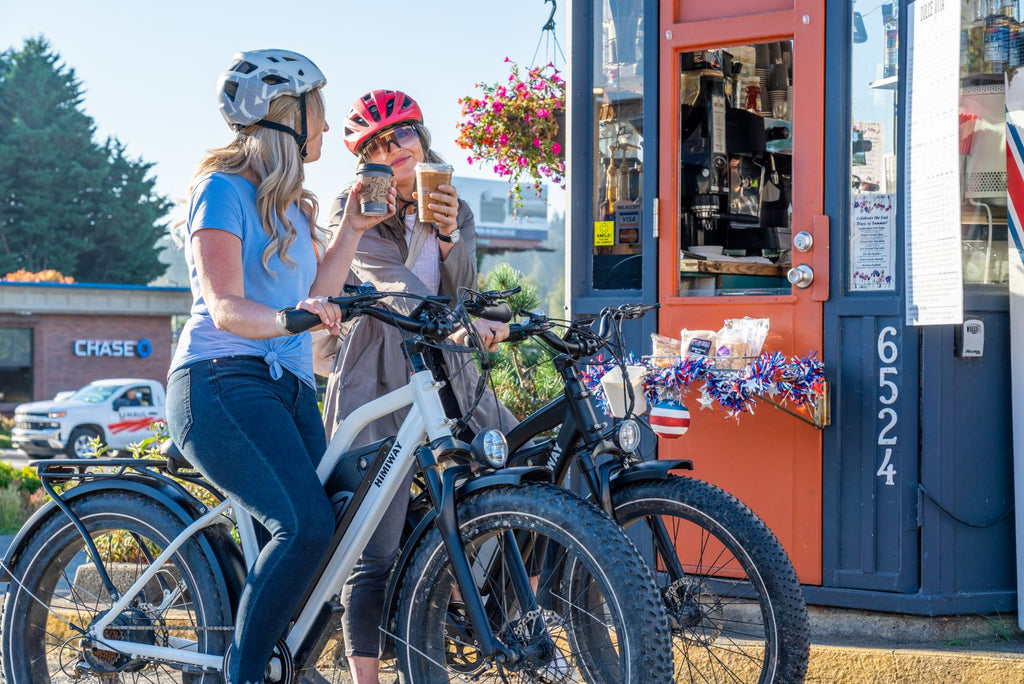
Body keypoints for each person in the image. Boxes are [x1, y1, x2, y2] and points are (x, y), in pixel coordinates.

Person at [165, 50, 396, 684]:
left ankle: (278, 663)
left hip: (288, 389)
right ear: (284, 117)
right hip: (221, 383)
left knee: (339, 525)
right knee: (304, 523)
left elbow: (316, 292)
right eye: (317, 110)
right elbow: (226, 306)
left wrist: (350, 230)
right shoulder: (222, 191)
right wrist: (291, 320)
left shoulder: (296, 208)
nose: (325, 127)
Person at [316, 89, 517, 683]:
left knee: (515, 475)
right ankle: (367, 677)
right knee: (373, 540)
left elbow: (464, 291)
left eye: (400, 134)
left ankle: (460, 616)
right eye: (374, 145)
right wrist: (459, 320)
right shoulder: (352, 205)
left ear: (422, 137)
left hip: (447, 373)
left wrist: (451, 240)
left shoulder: (452, 203)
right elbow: (389, 283)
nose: (392, 149)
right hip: (375, 376)